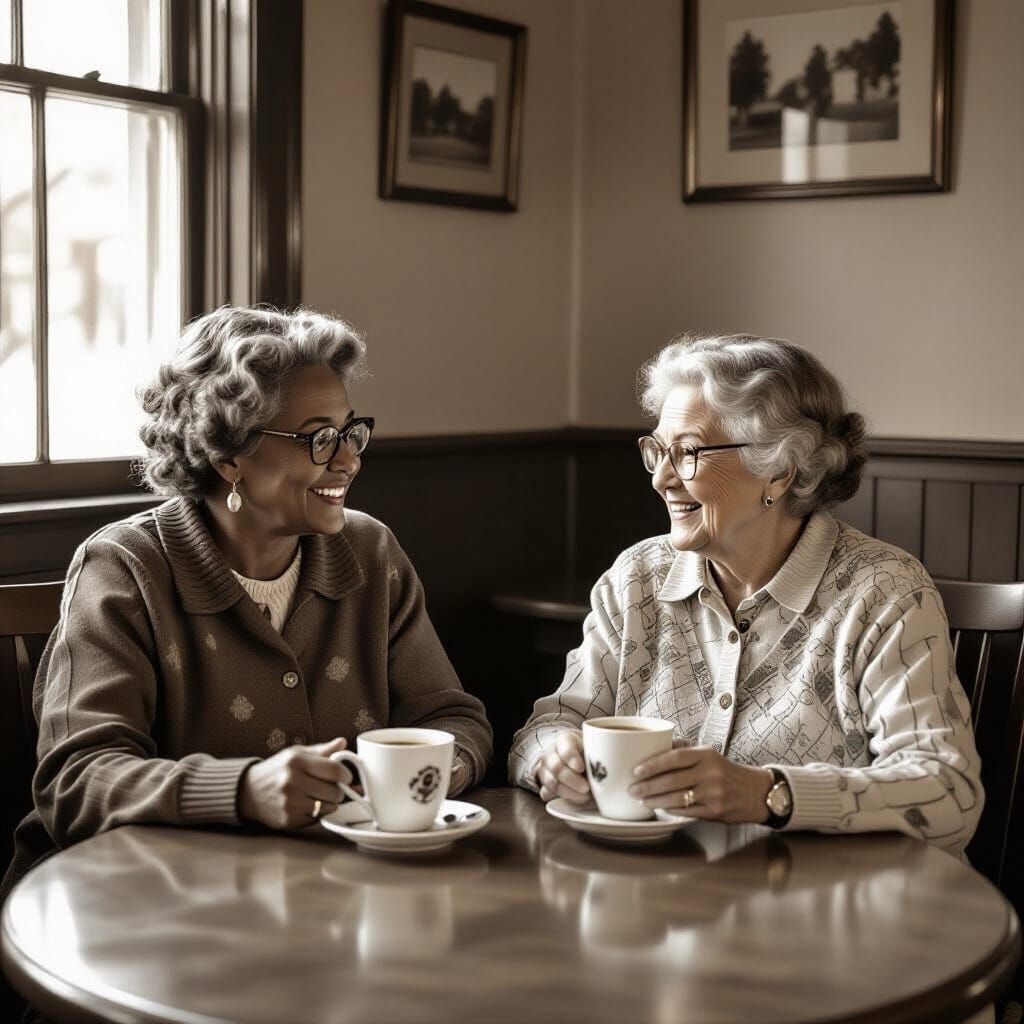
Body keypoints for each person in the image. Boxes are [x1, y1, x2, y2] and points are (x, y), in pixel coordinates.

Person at [4, 305, 492, 898]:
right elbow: (76, 782)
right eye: (318, 438)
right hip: (134, 907)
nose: (348, 460)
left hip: (326, 897)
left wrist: (435, 771)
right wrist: (242, 790)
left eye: (350, 432)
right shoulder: (126, 567)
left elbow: (453, 719)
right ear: (229, 455)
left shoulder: (372, 551)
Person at [509, 333, 982, 857]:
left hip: (836, 899)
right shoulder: (636, 578)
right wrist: (553, 758)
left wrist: (767, 794)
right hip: (664, 889)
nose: (661, 478)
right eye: (658, 451)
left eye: (688, 452)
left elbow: (948, 795)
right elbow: (549, 725)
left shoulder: (885, 593)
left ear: (779, 470)